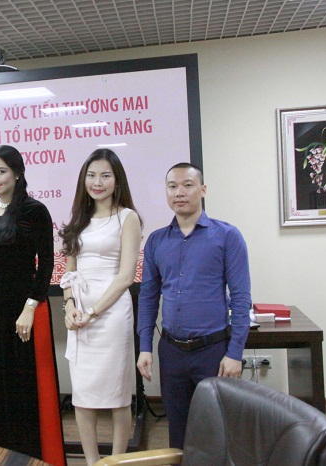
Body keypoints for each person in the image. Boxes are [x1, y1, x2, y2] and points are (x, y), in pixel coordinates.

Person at [136, 162, 251, 449]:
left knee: (217, 432)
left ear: (203, 189)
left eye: (187, 185)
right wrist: (145, 347)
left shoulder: (227, 236)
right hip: (172, 352)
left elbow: (240, 298)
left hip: (213, 352)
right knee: (178, 432)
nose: (180, 192)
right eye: (172, 186)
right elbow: (148, 297)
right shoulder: (156, 241)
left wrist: (235, 353)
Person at [0, 145, 66, 465]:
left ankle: (28, 456)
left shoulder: (34, 210)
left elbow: (46, 263)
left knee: (22, 386)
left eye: (1, 171)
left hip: (24, 312)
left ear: (17, 173)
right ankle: (0, 454)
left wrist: (30, 306)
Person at [59, 149, 142, 466]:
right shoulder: (78, 220)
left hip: (111, 313)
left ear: (117, 180)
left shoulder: (127, 217)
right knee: (83, 396)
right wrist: (69, 306)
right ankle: (93, 462)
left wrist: (92, 312)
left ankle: (117, 462)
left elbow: (125, 277)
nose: (98, 182)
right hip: (80, 315)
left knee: (118, 396)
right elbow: (69, 272)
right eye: (91, 175)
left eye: (105, 175)